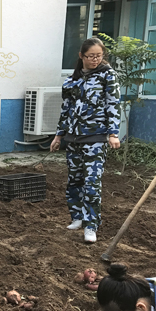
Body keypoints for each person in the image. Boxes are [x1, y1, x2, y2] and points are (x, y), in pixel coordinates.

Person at [50, 37, 121, 244]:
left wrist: (113, 133)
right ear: (81, 56)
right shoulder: (71, 80)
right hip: (73, 139)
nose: (95, 60)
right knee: (74, 180)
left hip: (96, 138)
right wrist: (58, 135)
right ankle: (77, 217)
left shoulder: (108, 76)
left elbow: (113, 104)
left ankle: (91, 225)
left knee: (91, 183)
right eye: (91, 56)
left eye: (99, 56)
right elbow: (66, 109)